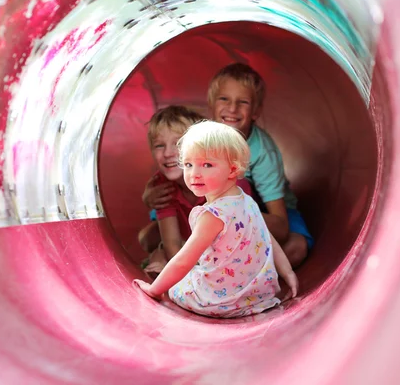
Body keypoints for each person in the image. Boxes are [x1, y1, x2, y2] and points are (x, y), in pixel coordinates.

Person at [134, 121, 299, 318]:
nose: (195, 173)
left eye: (207, 164)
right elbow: (268, 240)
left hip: (215, 302)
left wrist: (154, 289)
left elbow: (183, 261)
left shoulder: (213, 215)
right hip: (257, 298)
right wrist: (288, 274)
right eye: (188, 164)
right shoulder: (247, 202)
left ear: (233, 170)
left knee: (178, 283)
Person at [207, 63, 314, 267]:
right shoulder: (201, 139)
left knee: (297, 246)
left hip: (265, 211)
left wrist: (235, 219)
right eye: (224, 99)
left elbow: (281, 227)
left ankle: (239, 274)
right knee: (151, 235)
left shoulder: (262, 151)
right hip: (219, 213)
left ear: (255, 112)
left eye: (243, 102)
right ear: (211, 104)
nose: (232, 108)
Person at [138, 106, 254, 275]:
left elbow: (240, 241)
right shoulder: (162, 186)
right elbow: (173, 245)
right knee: (160, 252)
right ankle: (159, 260)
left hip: (232, 244)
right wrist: (191, 279)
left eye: (178, 144)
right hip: (192, 245)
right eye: (159, 146)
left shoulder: (220, 179)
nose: (168, 153)